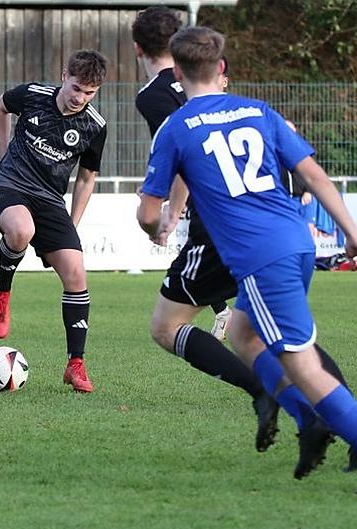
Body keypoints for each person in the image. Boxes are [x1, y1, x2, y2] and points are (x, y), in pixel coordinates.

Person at [139, 26, 357, 495]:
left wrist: (155, 226)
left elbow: (147, 212)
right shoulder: (259, 111)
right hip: (296, 241)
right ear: (221, 68)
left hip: (261, 257)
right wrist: (355, 236)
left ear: (177, 73)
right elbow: (314, 176)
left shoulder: (177, 126)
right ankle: (312, 424)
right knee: (243, 333)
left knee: (301, 363)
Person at [0, 50, 109, 393]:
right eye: (76, 88)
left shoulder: (94, 126)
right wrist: (3, 150)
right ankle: (2, 292)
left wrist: (72, 223)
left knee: (76, 273)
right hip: (10, 185)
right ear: (64, 74)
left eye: (89, 93)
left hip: (50, 200)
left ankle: (76, 364)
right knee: (21, 231)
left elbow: (86, 179)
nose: (80, 98)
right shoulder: (33, 96)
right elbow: (0, 106)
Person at [132, 5, 232, 341]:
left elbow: (182, 150)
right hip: (241, 184)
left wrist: (168, 208)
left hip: (208, 193)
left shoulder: (151, 97)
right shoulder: (202, 78)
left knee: (167, 323)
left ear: (138, 48)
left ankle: (227, 320)